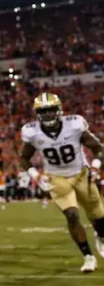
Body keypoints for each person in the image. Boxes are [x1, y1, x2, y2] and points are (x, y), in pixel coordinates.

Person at [19, 92, 104, 273]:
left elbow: (98, 148)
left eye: (50, 110)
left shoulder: (74, 125)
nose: (48, 115)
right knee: (72, 215)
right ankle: (88, 256)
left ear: (59, 110)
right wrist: (35, 175)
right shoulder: (32, 132)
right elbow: (24, 158)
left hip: (81, 174)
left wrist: (96, 167)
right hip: (56, 179)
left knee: (98, 216)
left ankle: (101, 236)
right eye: (44, 111)